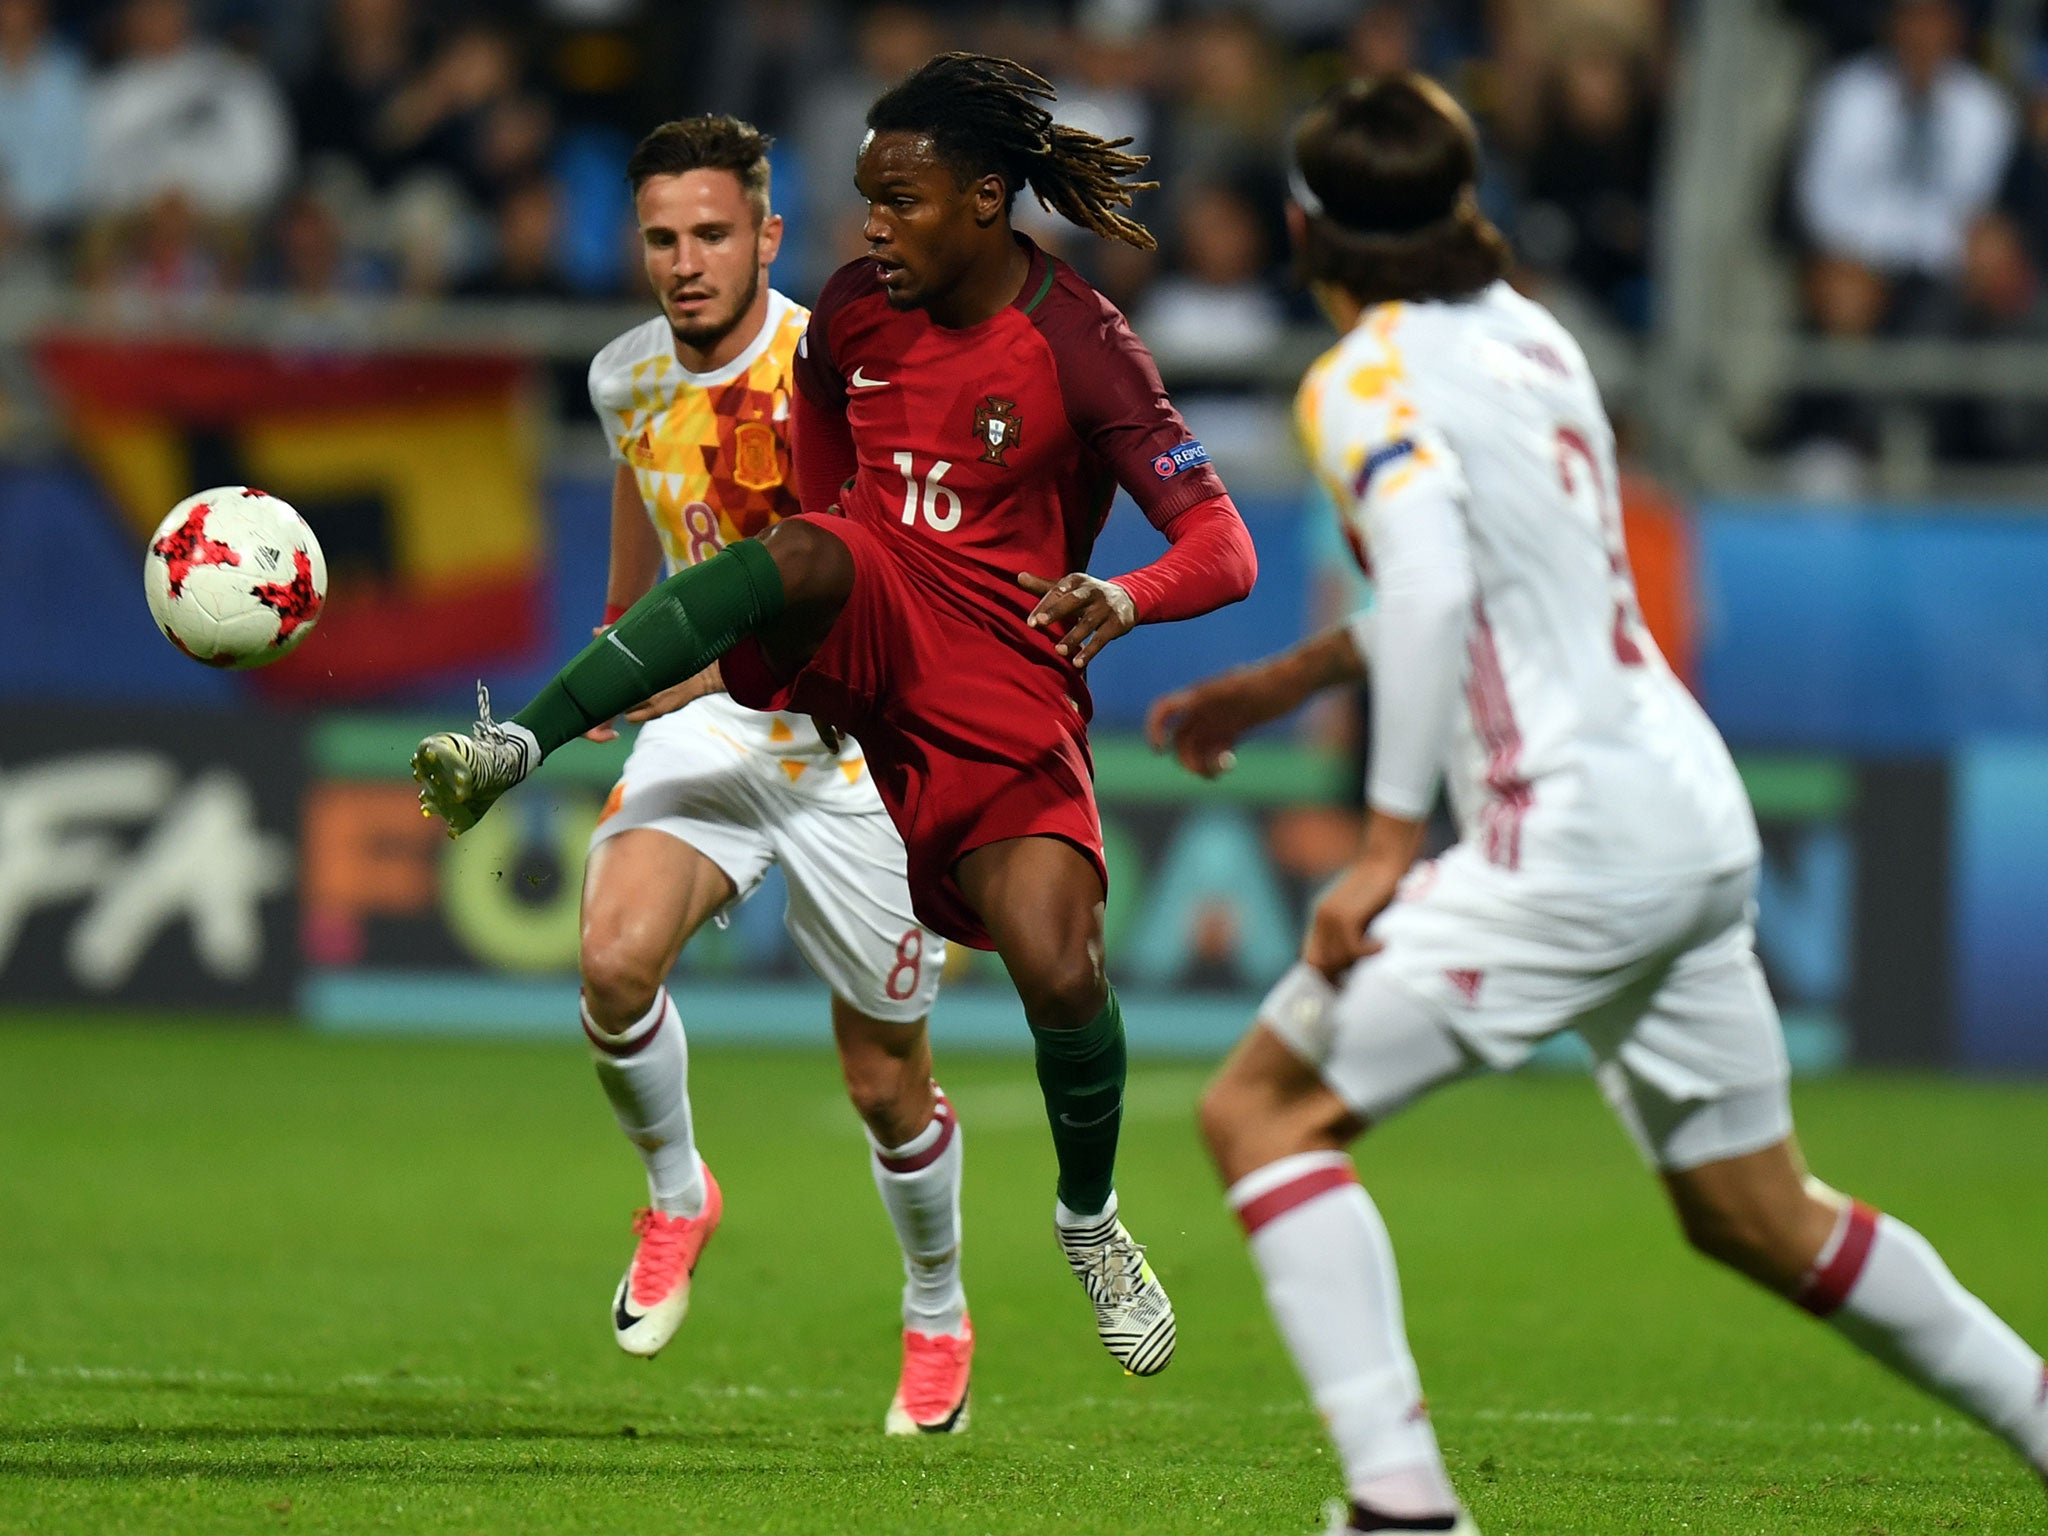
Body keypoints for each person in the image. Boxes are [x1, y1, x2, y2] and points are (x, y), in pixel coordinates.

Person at [1149, 75, 2048, 1535]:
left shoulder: (1358, 380)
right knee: (1756, 1212)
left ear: (1308, 229)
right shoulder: (1536, 336)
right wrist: (1289, 676)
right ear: (1462, 208)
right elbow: (1516, 581)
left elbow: (1437, 585)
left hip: (1559, 837)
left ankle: (1402, 1510)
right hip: (1689, 813)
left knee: (1259, 1112)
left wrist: (1385, 847)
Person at [413, 54, 1259, 1377]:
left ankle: (1087, 1222)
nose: (872, 227)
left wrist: (1128, 594)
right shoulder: (856, 315)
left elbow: (1223, 545)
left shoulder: (1080, 343)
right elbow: (820, 475)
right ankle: (510, 742)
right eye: (865, 197)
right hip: (867, 617)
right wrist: (816, 590)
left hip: (1002, 684)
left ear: (986, 201)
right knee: (802, 557)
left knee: (1060, 969)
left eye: (901, 200)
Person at [569, 115, 968, 1437]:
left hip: (855, 745)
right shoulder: (622, 378)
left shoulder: (842, 366)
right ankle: (678, 1192)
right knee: (614, 961)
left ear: (767, 237)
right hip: (712, 728)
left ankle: (935, 1303)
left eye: (713, 234)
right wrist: (611, 657)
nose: (686, 262)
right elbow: (644, 545)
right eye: (662, 238)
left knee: (882, 1082)